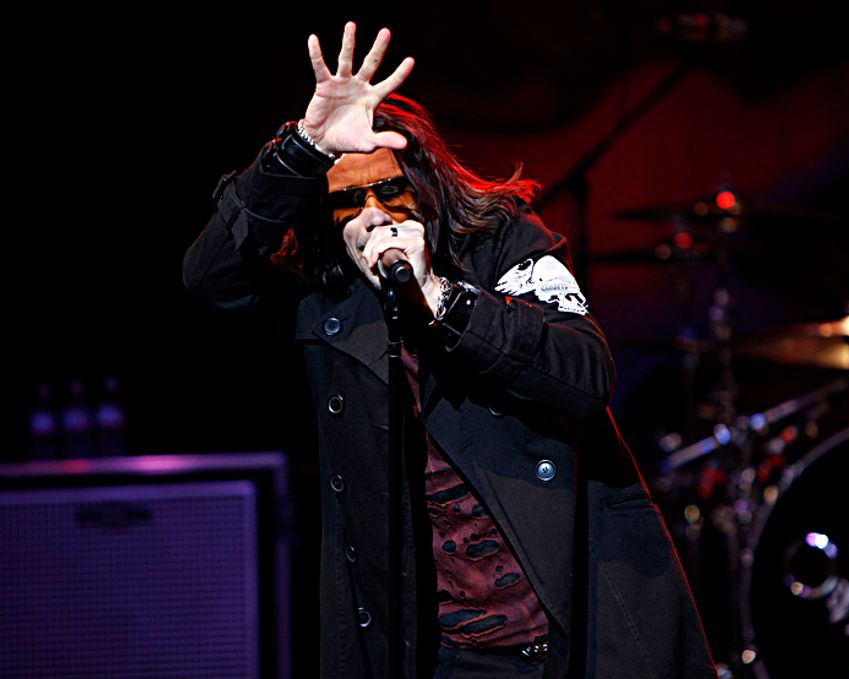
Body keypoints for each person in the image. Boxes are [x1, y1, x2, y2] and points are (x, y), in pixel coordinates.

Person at [183, 21, 716, 679]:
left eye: (389, 190)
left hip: (581, 627)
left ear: (427, 190)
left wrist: (441, 297)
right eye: (348, 200)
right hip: (449, 655)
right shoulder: (323, 297)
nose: (374, 214)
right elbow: (209, 277)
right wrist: (302, 149)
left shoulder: (502, 243)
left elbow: (584, 375)